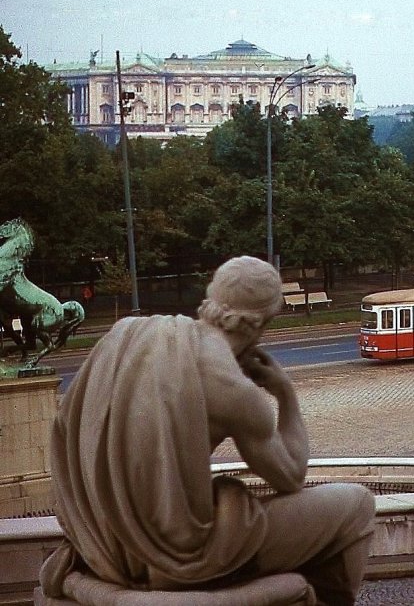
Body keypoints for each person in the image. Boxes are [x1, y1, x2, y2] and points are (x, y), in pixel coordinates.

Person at [41, 256, 375, 605]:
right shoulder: (236, 391)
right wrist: (285, 394)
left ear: (212, 300)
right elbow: (290, 477)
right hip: (180, 557)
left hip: (101, 546)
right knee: (357, 505)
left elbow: (66, 425)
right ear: (259, 322)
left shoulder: (129, 333)